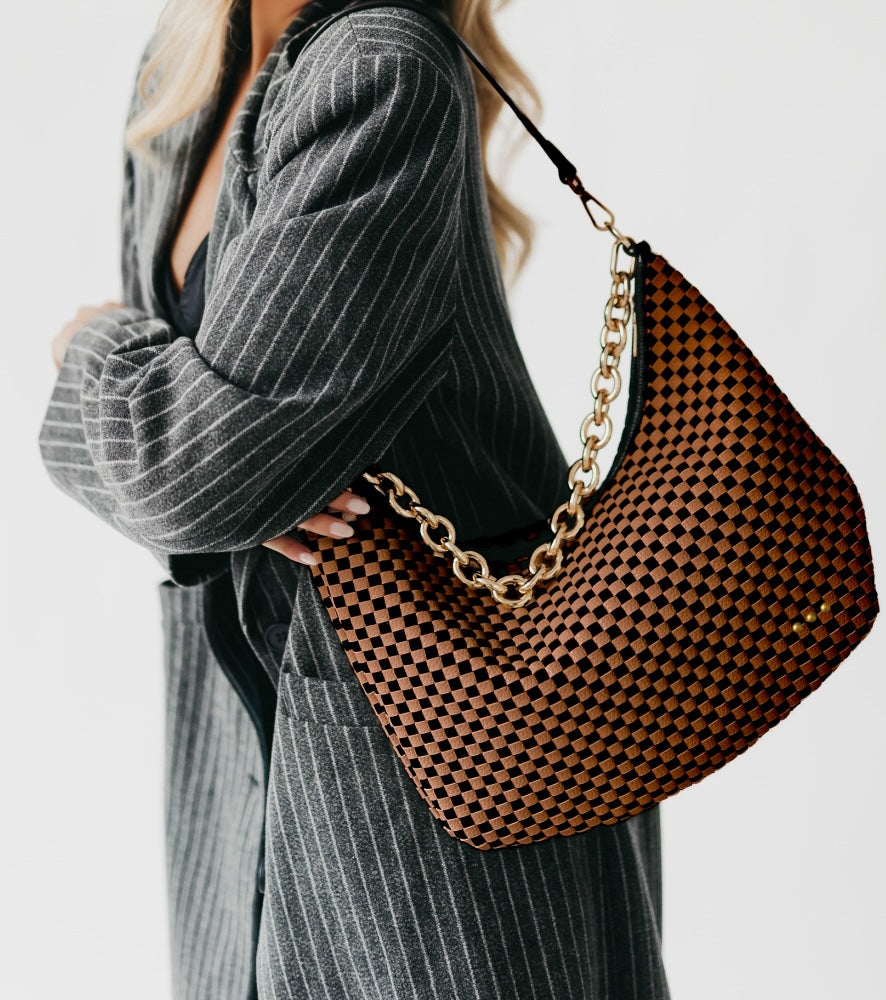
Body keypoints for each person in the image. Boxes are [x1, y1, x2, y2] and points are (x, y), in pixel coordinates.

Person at [37, 1, 672, 997]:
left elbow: (192, 468)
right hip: (241, 751)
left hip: (437, 793)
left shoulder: (382, 66)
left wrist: (90, 350)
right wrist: (221, 461)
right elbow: (185, 472)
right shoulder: (177, 76)